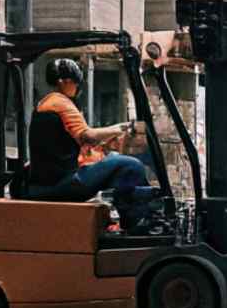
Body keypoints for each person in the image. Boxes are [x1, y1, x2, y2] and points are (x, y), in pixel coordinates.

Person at [22, 58, 162, 234]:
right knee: (131, 165)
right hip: (65, 182)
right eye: (75, 83)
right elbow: (88, 136)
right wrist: (121, 127)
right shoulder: (61, 103)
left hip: (47, 181)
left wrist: (106, 142)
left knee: (115, 160)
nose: (77, 88)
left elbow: (72, 143)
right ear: (64, 81)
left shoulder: (44, 104)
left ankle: (123, 220)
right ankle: (137, 226)